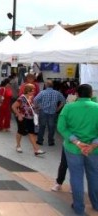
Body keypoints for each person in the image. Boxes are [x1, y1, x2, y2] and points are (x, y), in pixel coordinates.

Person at [57, 84, 98, 215]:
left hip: (73, 148)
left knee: (76, 177)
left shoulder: (69, 107)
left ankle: (79, 208)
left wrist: (77, 142)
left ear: (77, 94)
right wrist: (92, 145)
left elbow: (61, 127)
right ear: (91, 94)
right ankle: (96, 204)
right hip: (94, 150)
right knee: (94, 176)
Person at [11, 84, 45, 156]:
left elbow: (31, 107)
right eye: (32, 90)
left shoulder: (31, 97)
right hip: (22, 118)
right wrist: (19, 115)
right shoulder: (21, 98)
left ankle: (36, 149)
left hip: (30, 118)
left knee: (31, 133)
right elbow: (13, 106)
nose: (34, 92)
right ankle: (18, 145)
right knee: (20, 132)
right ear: (28, 91)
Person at [34, 80, 65, 146]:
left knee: (42, 126)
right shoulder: (57, 93)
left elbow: (35, 100)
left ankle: (40, 141)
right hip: (53, 112)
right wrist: (58, 108)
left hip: (43, 111)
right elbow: (63, 101)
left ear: (46, 85)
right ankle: (50, 141)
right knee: (51, 127)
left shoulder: (42, 92)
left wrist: (38, 106)